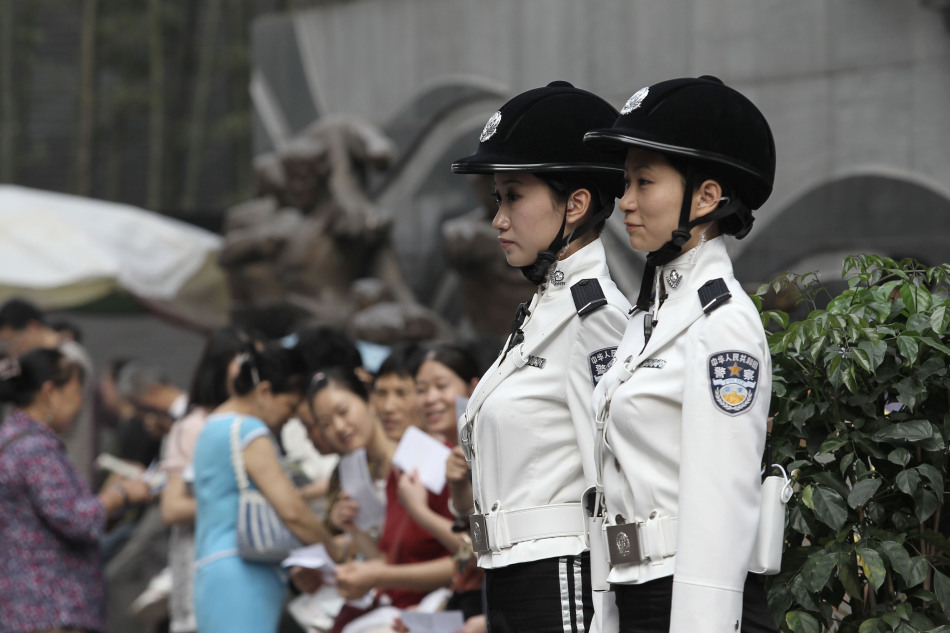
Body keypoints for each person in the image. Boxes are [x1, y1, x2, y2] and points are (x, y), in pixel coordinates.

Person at [582, 75, 778, 632]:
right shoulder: (652, 315)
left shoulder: (724, 322)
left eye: (644, 182)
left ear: (708, 197)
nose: (625, 202)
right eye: (625, 182)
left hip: (691, 604)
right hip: (640, 593)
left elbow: (721, 507)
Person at [449, 81, 631, 632]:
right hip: (507, 574)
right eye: (496, 199)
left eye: (513, 196)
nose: (497, 219)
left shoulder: (594, 315)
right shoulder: (546, 308)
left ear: (574, 204)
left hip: (560, 577)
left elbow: (613, 480)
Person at [192, 343, 341, 633]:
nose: (289, 419)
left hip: (212, 567)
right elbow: (292, 511)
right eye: (289, 406)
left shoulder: (212, 426)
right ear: (264, 393)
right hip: (243, 570)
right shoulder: (249, 430)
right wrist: (335, 551)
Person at [0, 349, 151, 633]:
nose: (81, 403)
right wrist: (121, 493)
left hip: (33, 609)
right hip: (52, 610)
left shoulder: (17, 439)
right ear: (49, 392)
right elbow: (76, 519)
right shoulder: (35, 449)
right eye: (77, 392)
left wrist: (113, 498)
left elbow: (62, 517)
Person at [159, 326, 248, 633]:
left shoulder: (255, 423)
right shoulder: (195, 427)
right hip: (204, 559)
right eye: (243, 365)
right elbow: (172, 509)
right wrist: (242, 505)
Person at [0, 298, 98, 485]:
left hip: (66, 465)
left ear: (33, 327)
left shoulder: (69, 359)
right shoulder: (35, 359)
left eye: (13, 341)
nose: (13, 350)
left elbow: (56, 414)